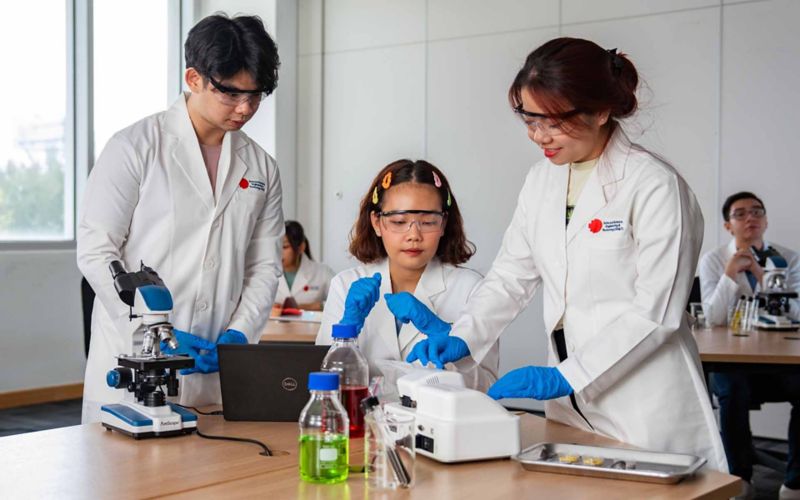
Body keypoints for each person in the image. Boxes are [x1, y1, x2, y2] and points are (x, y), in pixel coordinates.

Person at [400, 38, 728, 470]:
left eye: (552, 122)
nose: (538, 136)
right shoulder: (542, 181)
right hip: (571, 406)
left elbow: (656, 313)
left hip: (644, 402)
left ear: (601, 111)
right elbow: (511, 276)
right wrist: (467, 334)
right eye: (529, 119)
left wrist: (566, 376)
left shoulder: (654, 186)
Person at [77, 14, 284, 423]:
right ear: (193, 78)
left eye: (256, 95)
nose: (245, 108)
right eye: (231, 94)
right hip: (135, 359)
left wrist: (239, 335)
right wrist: (156, 332)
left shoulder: (262, 167)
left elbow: (264, 267)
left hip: (216, 374)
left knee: (213, 480)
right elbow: (97, 251)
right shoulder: (135, 147)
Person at [316, 159, 498, 391]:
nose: (414, 235)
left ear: (443, 224)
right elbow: (322, 385)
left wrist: (443, 334)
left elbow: (487, 387)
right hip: (364, 424)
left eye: (428, 222)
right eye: (399, 222)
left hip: (439, 426)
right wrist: (346, 333)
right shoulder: (345, 285)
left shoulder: (471, 288)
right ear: (377, 223)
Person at [699, 191, 800, 498]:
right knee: (731, 388)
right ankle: (739, 477)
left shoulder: (789, 258)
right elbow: (712, 318)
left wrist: (763, 276)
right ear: (728, 226)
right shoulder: (714, 260)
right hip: (732, 363)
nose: (750, 218)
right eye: (740, 214)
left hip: (778, 363)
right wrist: (730, 274)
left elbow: (797, 314)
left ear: (766, 220)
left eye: (757, 212)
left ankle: (794, 482)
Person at [273, 220, 335, 311]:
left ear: (301, 247)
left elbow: (342, 302)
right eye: (276, 247)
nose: (279, 253)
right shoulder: (267, 273)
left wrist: (315, 306)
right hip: (273, 325)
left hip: (312, 325)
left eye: (285, 247)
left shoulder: (323, 272)